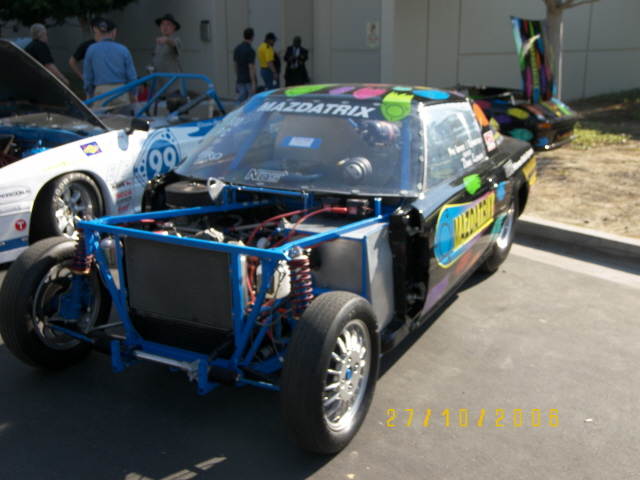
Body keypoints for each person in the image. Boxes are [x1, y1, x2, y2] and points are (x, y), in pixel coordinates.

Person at [83, 19, 137, 106]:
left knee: (101, 114)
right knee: (122, 114)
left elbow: (88, 77)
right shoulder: (123, 49)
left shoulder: (91, 50)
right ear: (113, 33)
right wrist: (134, 94)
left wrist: (89, 93)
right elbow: (131, 76)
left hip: (101, 91)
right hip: (120, 90)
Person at [68, 17, 103, 81]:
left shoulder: (110, 44)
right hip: (93, 80)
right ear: (95, 29)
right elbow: (72, 61)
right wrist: (83, 77)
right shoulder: (86, 45)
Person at [233, 28, 257, 103]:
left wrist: (238, 76)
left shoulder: (237, 49)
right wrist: (253, 82)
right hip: (248, 79)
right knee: (251, 100)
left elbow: (235, 64)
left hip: (240, 78)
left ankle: (237, 110)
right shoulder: (250, 50)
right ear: (252, 37)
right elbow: (251, 67)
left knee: (241, 98)